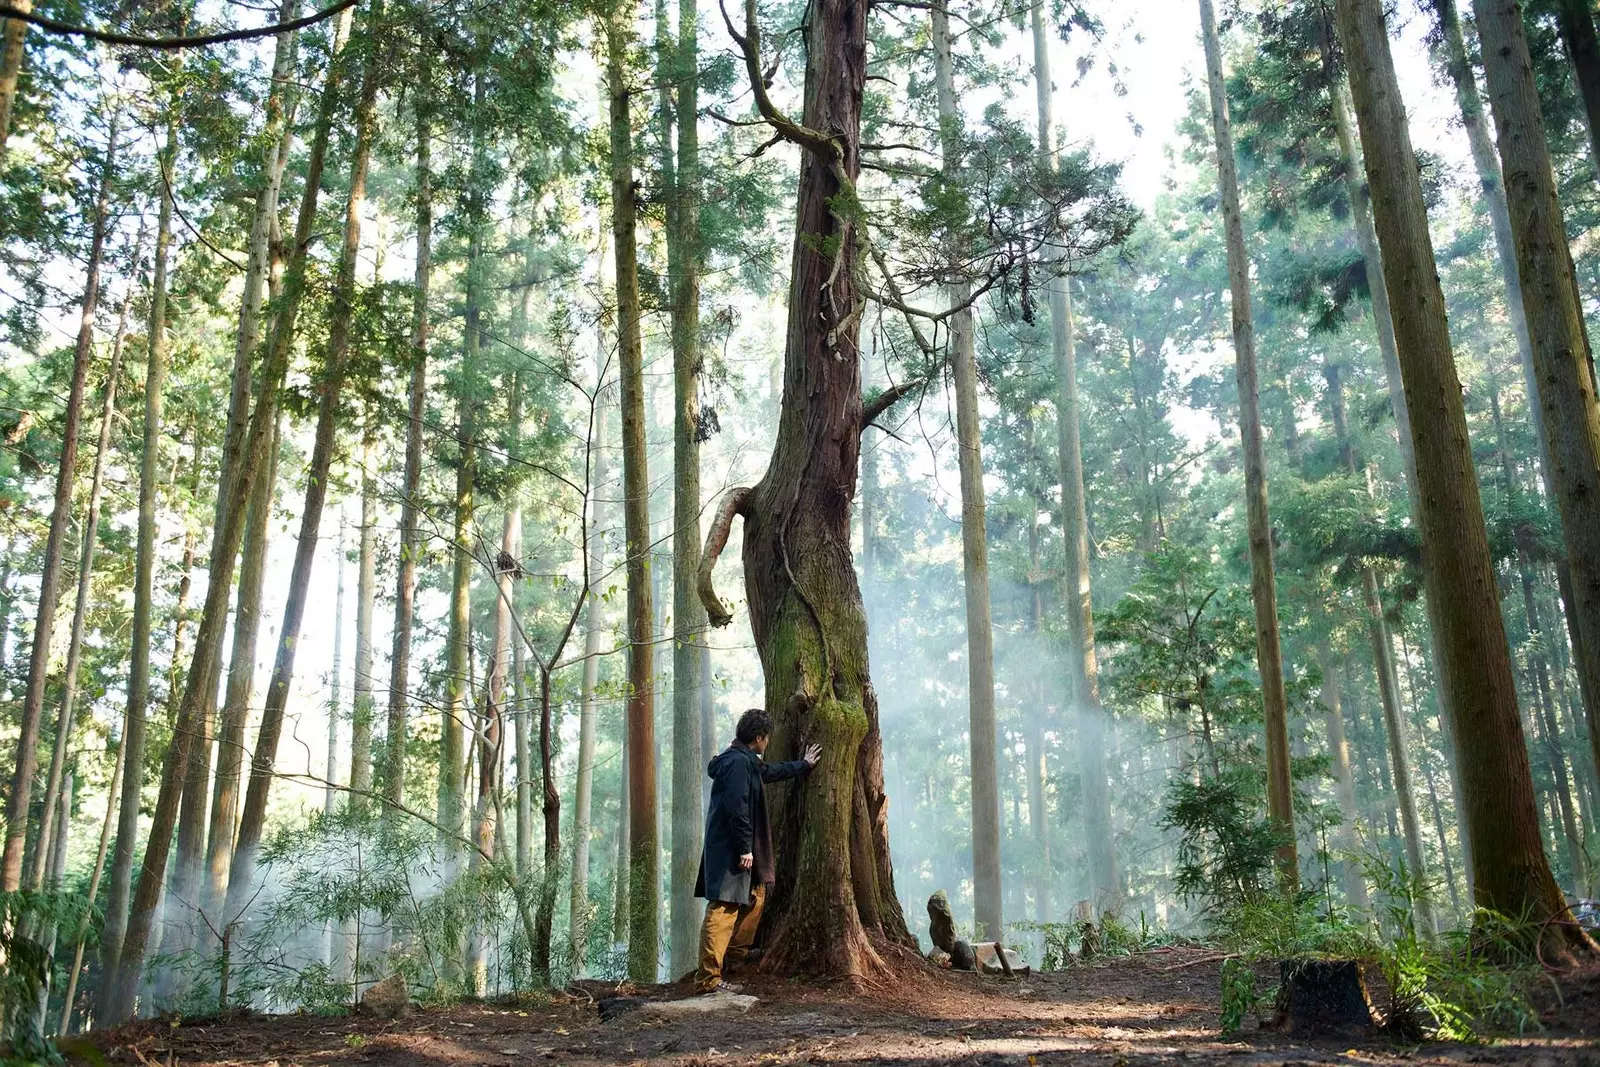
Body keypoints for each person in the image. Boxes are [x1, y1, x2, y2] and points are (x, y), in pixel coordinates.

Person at [692, 708, 821, 993]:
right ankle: (708, 979)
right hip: (730, 850)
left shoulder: (745, 761)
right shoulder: (737, 764)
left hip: (739, 847)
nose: (768, 744)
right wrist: (744, 848)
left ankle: (734, 957)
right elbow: (736, 809)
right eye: (767, 738)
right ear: (759, 737)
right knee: (722, 907)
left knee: (756, 896)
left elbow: (769, 772)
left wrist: (803, 765)